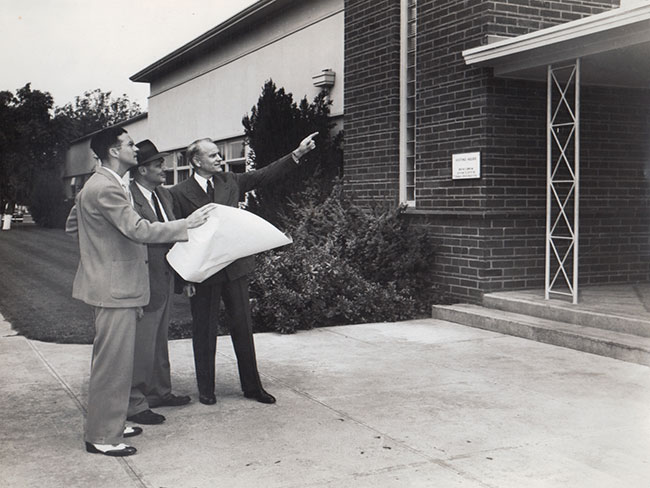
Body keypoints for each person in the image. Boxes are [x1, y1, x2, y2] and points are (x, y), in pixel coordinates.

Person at [67, 127, 215, 457]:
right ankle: (102, 436)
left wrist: (99, 246)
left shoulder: (103, 185)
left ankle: (113, 422)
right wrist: (185, 225)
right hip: (115, 288)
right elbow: (137, 229)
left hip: (117, 286)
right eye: (130, 145)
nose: (135, 149)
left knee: (119, 364)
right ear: (113, 152)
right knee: (112, 367)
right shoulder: (107, 186)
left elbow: (74, 224)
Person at [169, 132, 318, 406]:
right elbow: (178, 237)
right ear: (196, 160)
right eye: (213, 154)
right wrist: (184, 278)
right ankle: (206, 390)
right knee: (204, 330)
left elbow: (264, 175)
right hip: (204, 271)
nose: (219, 158)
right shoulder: (178, 193)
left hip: (236, 268)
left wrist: (296, 154)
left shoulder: (230, 181)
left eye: (218, 153)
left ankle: (252, 387)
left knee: (243, 328)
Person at [124, 140, 191, 427]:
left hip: (165, 278)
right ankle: (137, 403)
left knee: (160, 341)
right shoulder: (127, 198)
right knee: (141, 344)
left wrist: (184, 276)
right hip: (144, 280)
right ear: (141, 170)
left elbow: (174, 234)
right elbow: (140, 235)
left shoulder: (163, 196)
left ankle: (161, 392)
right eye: (158, 165)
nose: (163, 169)